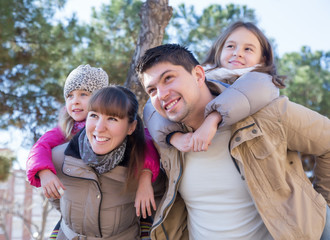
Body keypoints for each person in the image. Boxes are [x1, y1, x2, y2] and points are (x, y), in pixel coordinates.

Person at [136, 43, 330, 240]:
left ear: (198, 75)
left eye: (168, 78)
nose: (161, 94)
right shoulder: (168, 143)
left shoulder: (268, 116)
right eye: (152, 90)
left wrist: (322, 207)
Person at [26, 65, 160, 237]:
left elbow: (146, 146)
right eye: (70, 95)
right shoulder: (64, 130)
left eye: (83, 94)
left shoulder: (130, 139)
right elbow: (39, 149)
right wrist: (44, 172)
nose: (75, 101)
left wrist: (145, 176)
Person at [143, 21, 284, 153]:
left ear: (263, 58)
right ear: (219, 50)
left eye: (248, 49)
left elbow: (245, 95)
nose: (238, 53)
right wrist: (173, 136)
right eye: (230, 46)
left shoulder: (263, 83)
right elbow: (152, 108)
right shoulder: (198, 79)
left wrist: (213, 118)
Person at [49, 85, 165, 239]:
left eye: (112, 118)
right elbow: (54, 198)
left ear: (131, 127)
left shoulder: (143, 170)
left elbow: (162, 205)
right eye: (94, 115)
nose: (99, 127)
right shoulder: (58, 158)